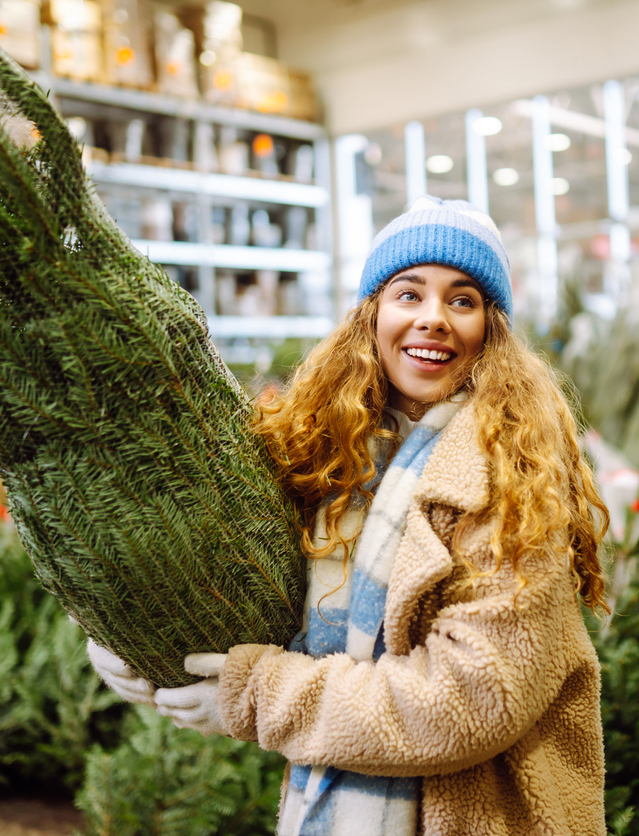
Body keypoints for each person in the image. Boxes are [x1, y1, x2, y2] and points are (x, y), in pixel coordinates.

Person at [89, 196, 609, 836]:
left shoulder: (515, 485)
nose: (434, 319)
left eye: (463, 299)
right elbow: (236, 578)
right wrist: (138, 641)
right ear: (373, 314)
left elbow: (469, 702)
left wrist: (259, 696)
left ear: (491, 331)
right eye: (409, 294)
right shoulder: (331, 460)